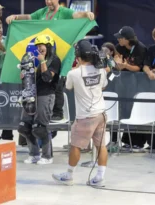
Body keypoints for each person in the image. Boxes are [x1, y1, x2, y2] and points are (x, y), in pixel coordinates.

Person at [52, 40, 108, 187]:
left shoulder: (74, 73)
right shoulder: (101, 70)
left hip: (85, 116)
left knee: (75, 146)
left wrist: (78, 69)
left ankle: (69, 175)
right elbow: (103, 86)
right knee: (101, 146)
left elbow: (68, 87)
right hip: (101, 113)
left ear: (78, 55)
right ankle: (100, 176)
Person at [17, 34, 61, 165]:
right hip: (33, 95)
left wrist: (42, 61)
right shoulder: (38, 62)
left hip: (46, 95)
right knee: (24, 126)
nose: (39, 48)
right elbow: (34, 80)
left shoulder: (55, 60)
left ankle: (47, 156)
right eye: (37, 46)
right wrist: (25, 76)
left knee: (40, 128)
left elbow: (47, 78)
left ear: (48, 46)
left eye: (41, 46)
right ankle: (34, 154)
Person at [112, 26, 148, 152]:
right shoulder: (119, 47)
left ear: (128, 39)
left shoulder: (140, 48)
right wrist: (117, 64)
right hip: (120, 82)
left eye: (121, 38)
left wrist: (125, 65)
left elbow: (138, 68)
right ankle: (114, 140)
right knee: (118, 109)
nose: (119, 40)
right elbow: (115, 62)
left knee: (131, 110)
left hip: (136, 83)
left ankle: (134, 141)